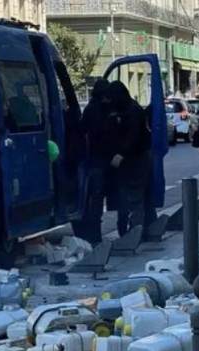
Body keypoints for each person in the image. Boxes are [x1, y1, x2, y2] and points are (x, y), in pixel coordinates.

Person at [106, 81, 153, 235]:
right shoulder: (128, 108)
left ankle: (135, 232)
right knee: (131, 197)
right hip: (132, 159)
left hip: (136, 159)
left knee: (134, 197)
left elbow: (133, 135)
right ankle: (134, 230)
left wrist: (121, 153)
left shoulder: (132, 110)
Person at [75, 78, 111, 245]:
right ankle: (95, 233)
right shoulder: (106, 109)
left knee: (92, 197)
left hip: (92, 159)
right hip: (103, 158)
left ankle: (91, 231)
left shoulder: (89, 109)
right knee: (98, 197)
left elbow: (81, 129)